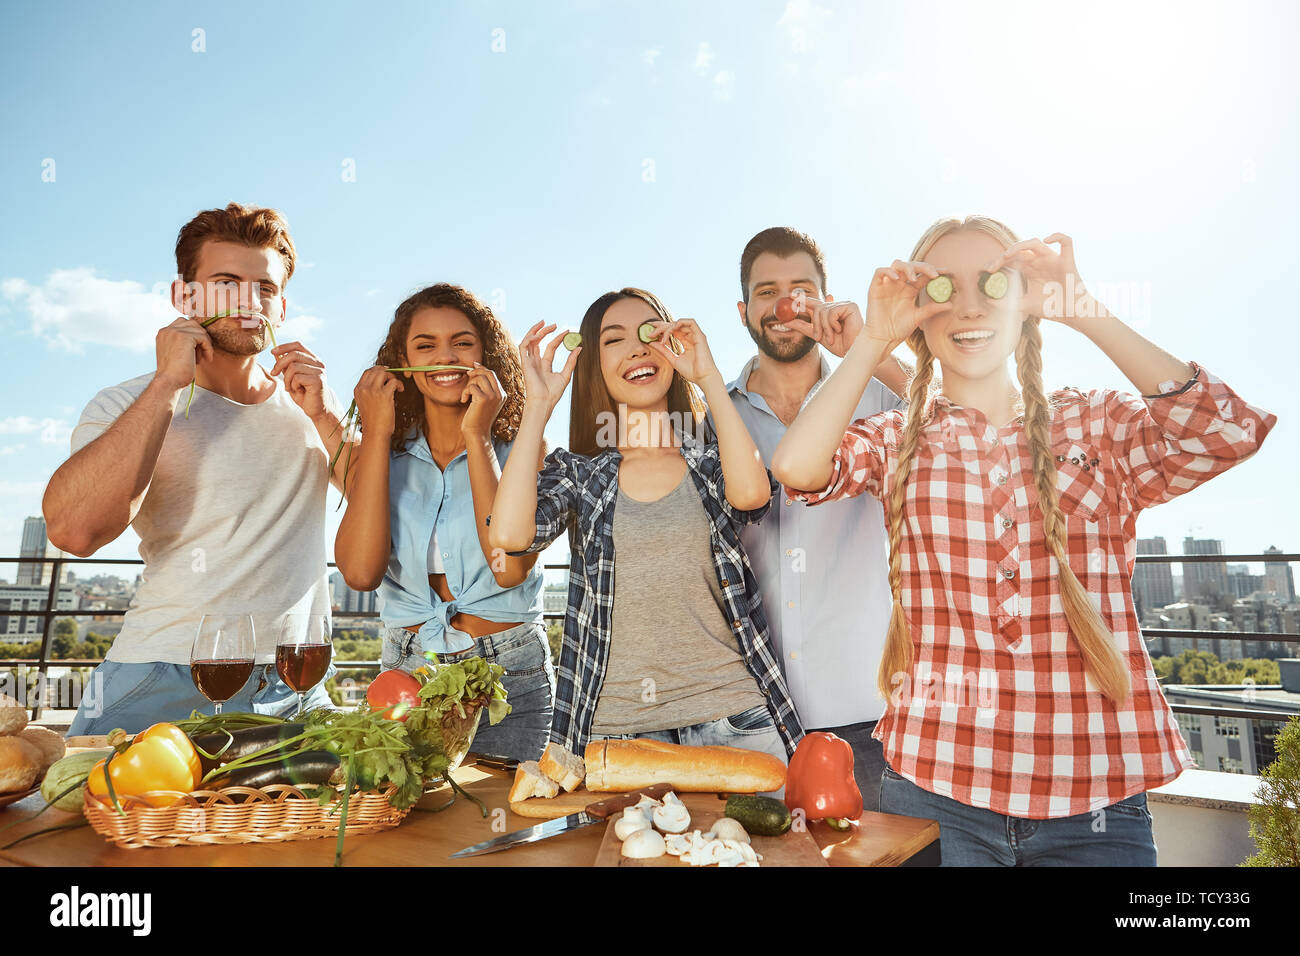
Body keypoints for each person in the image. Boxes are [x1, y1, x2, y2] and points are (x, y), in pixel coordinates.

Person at [772, 216, 1277, 865]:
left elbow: (1226, 433)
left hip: (1096, 800)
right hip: (934, 789)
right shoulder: (900, 439)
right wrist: (872, 339)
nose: (970, 304)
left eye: (991, 281)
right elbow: (797, 469)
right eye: (942, 289)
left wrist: (1083, 307)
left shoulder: (1095, 422)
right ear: (920, 316)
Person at [48, 203, 348, 735]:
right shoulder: (126, 403)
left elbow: (385, 508)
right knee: (94, 819)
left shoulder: (311, 409)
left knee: (349, 817)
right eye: (226, 283)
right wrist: (166, 384)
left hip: (298, 685)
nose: (249, 301)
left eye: (265, 287)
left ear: (281, 307)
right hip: (164, 677)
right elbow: (75, 531)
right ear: (183, 297)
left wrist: (325, 417)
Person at [487, 289, 804, 773]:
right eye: (614, 340)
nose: (637, 348)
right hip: (616, 734)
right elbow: (509, 535)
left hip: (734, 720)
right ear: (594, 364)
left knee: (756, 851)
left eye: (651, 333)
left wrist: (708, 378)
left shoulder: (709, 463)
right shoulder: (582, 475)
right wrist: (538, 406)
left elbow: (751, 496)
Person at [726, 226, 913, 811]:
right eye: (768, 292)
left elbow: (970, 425)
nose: (787, 306)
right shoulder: (712, 420)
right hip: (749, 723)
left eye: (803, 289)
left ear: (826, 300)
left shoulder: (881, 398)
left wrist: (875, 352)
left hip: (872, 716)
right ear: (743, 311)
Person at [333, 283, 555, 761]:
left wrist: (477, 433)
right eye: (425, 345)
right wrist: (376, 430)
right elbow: (359, 573)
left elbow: (508, 568)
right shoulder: (381, 456)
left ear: (486, 355)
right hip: (405, 672)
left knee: (508, 821)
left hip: (508, 676)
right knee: (413, 829)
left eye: (462, 342)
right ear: (401, 363)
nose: (444, 357)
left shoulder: (525, 451)